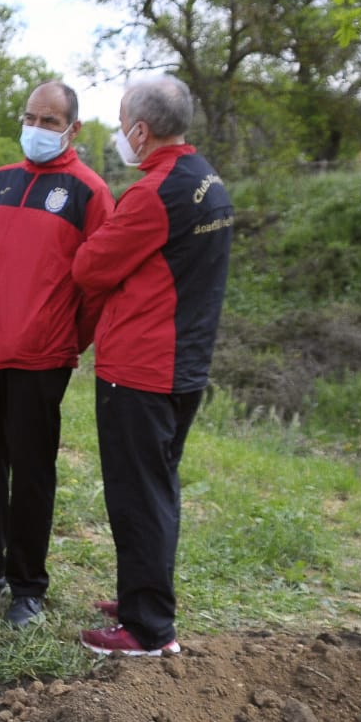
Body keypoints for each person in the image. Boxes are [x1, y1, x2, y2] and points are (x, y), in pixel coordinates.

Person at [0, 81, 114, 629]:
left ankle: (28, 585)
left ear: (73, 128)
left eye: (50, 121)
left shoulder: (90, 192)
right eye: (31, 117)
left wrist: (63, 339)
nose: (37, 128)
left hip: (41, 357)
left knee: (31, 473)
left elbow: (97, 287)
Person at [73, 75, 233, 656]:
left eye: (121, 124)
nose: (120, 134)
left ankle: (145, 629)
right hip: (184, 363)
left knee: (136, 494)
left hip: (140, 367)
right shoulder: (206, 180)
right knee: (157, 489)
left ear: (140, 130)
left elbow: (90, 266)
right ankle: (143, 596)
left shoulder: (153, 193)